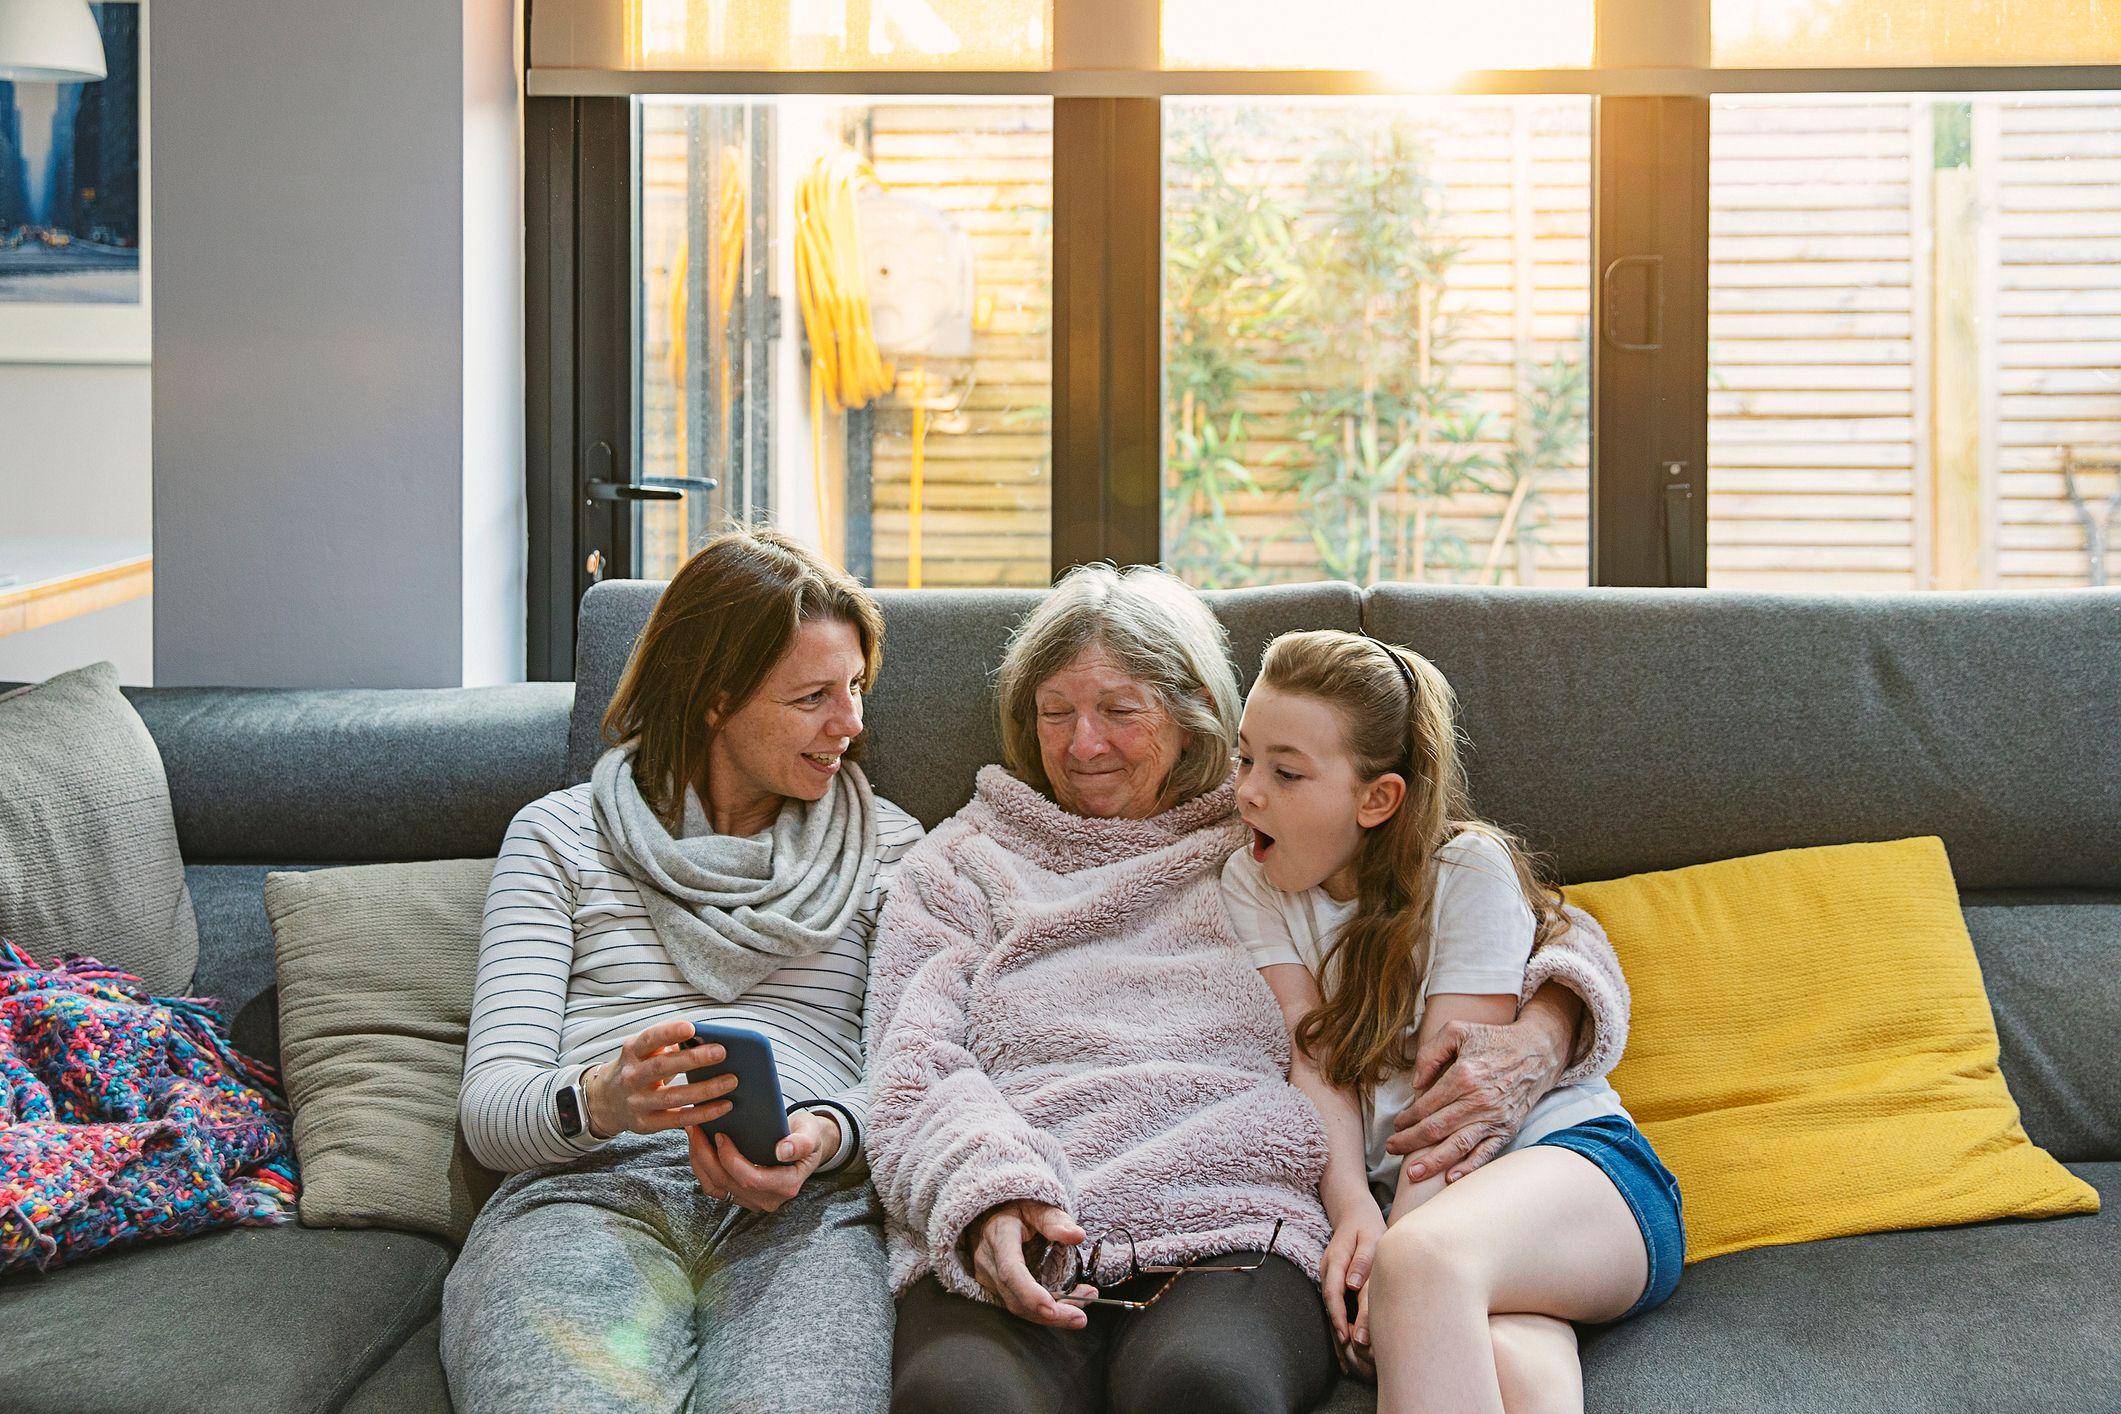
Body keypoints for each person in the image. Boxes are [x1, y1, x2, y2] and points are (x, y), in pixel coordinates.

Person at [866, 565, 1631, 1414]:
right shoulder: (956, 863)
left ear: (1195, 710)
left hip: (1227, 1214)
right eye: (1055, 712)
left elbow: (1533, 920)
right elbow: (910, 1058)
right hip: (1028, 1203)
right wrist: (983, 1189)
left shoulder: (1274, 828)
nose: (1083, 745)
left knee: (1206, 1390)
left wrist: (1545, 1031)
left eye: (1121, 711)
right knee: (963, 1402)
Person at [441, 527, 924, 1414]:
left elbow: (915, 1078)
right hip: (584, 1198)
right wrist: (603, 1097)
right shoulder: (559, 835)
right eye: (813, 696)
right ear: (713, 698)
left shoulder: (892, 848)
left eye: (855, 687)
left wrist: (821, 1134)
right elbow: (490, 1111)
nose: (851, 724)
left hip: (803, 1210)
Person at [1222, 629, 1684, 1413]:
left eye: (1286, 772)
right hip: (1459, 1231)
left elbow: (1457, 1097)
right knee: (1515, 1370)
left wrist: (1388, 1256)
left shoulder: (1466, 869)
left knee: (1420, 1268)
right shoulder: (1252, 878)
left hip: (1568, 1171)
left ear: (1377, 799)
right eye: (1243, 759)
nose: (1248, 792)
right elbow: (1315, 1060)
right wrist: (1351, 1216)